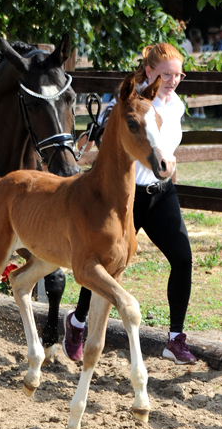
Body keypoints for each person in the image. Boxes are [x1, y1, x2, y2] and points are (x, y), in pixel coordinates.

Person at [63, 42, 197, 366]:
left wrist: (171, 163)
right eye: (166, 74)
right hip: (126, 195)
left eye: (178, 74)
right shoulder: (132, 102)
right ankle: (78, 322)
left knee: (183, 257)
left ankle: (175, 338)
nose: (173, 80)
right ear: (150, 72)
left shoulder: (176, 106)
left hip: (160, 191)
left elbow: (167, 148)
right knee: (102, 260)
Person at [188, 28, 206, 119]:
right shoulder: (200, 46)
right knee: (198, 91)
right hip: (200, 69)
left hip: (196, 69)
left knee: (195, 91)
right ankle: (201, 112)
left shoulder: (196, 47)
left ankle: (196, 112)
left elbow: (194, 59)